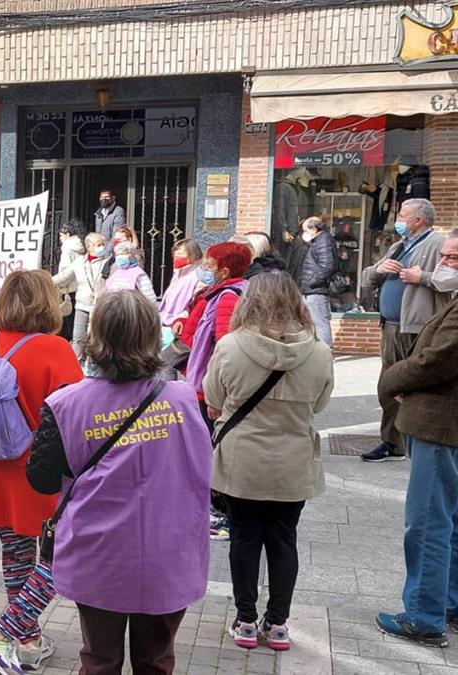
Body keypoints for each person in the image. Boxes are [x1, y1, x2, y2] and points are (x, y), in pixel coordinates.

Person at [25, 290, 212, 675]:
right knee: (156, 660)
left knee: (100, 659)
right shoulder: (183, 399)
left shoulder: (66, 404)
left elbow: (41, 480)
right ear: (152, 336)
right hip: (169, 551)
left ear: (96, 335)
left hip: (99, 554)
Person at [203, 272, 334, 652]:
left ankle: (245, 620)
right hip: (294, 459)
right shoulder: (318, 351)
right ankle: (277, 623)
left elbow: (213, 400)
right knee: (283, 539)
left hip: (242, 459)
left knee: (244, 537)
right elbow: (320, 404)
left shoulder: (231, 346)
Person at [0, 269, 82, 674]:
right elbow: (76, 415)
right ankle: (7, 630)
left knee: (16, 550)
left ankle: (28, 637)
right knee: (63, 553)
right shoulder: (55, 349)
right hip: (40, 469)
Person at [374, 231, 458, 648]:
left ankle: (424, 615)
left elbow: (435, 360)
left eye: (454, 257)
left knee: (428, 523)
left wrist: (393, 380)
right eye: (444, 255)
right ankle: (446, 604)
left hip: (440, 425)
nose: (445, 262)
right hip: (442, 423)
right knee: (448, 522)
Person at [175, 241, 252, 541]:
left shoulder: (228, 297)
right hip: (205, 385)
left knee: (209, 451)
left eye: (209, 264)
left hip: (209, 390)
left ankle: (220, 514)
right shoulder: (222, 292)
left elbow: (225, 348)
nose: (204, 268)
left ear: (224, 269)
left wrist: (217, 394)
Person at [362, 199, 448, 462]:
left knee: (415, 386)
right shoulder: (398, 246)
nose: (398, 220)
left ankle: (418, 442)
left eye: (402, 215)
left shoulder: (439, 244)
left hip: (417, 328)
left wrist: (422, 277)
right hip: (390, 327)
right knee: (388, 386)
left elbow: (451, 279)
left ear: (418, 219)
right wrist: (379, 269)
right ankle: (393, 443)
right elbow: (366, 279)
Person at [55, 232, 110, 361]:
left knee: (97, 339)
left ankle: (93, 366)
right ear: (89, 247)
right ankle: (75, 364)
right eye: (98, 245)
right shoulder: (79, 262)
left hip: (99, 307)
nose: (102, 247)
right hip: (82, 305)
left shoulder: (107, 261)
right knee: (78, 339)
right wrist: (45, 280)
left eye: (103, 244)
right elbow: (64, 277)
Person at [298, 217, 337, 349]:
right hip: (312, 289)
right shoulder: (319, 241)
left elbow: (327, 267)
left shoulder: (323, 241)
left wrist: (312, 282)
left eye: (305, 230)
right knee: (314, 323)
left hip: (316, 290)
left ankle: (326, 351)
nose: (304, 234)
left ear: (314, 229)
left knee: (320, 323)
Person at [158, 239, 203, 330]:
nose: (176, 256)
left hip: (180, 325)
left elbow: (195, 305)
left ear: (193, 255)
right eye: (175, 252)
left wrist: (181, 319)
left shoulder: (198, 277)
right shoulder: (177, 275)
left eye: (181, 253)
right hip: (166, 322)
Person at [53, 220, 86, 342]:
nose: (60, 238)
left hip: (69, 289)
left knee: (67, 327)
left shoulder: (68, 248)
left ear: (67, 234)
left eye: (61, 235)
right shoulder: (79, 247)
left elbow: (66, 272)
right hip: (78, 288)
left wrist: (53, 281)